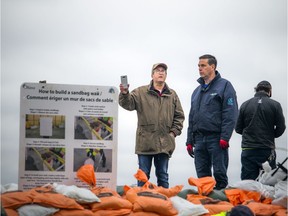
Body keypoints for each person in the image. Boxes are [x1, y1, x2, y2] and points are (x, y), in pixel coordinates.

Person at [119, 63, 185, 188]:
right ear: (152, 74)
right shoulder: (140, 92)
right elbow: (128, 104)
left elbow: (179, 116)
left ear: (166, 75)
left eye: (163, 71)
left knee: (163, 176)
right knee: (143, 176)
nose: (161, 73)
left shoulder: (172, 94)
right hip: (145, 143)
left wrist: (173, 133)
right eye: (158, 70)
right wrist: (124, 93)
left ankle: (165, 204)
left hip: (165, 143)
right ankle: (142, 203)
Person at [186, 54, 238, 190]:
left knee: (220, 174)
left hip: (216, 139)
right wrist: (189, 141)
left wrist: (225, 137)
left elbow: (230, 113)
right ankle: (208, 208)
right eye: (198, 65)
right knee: (202, 178)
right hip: (199, 140)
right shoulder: (196, 91)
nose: (199, 68)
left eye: (203, 65)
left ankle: (222, 206)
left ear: (212, 67)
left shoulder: (225, 86)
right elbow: (192, 117)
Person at [235, 80, 286, 180]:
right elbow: (281, 127)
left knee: (247, 184)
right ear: (270, 91)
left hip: (248, 149)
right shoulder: (275, 105)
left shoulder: (245, 105)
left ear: (256, 90)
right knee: (268, 182)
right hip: (266, 149)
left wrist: (249, 134)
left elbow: (237, 128)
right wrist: (271, 135)